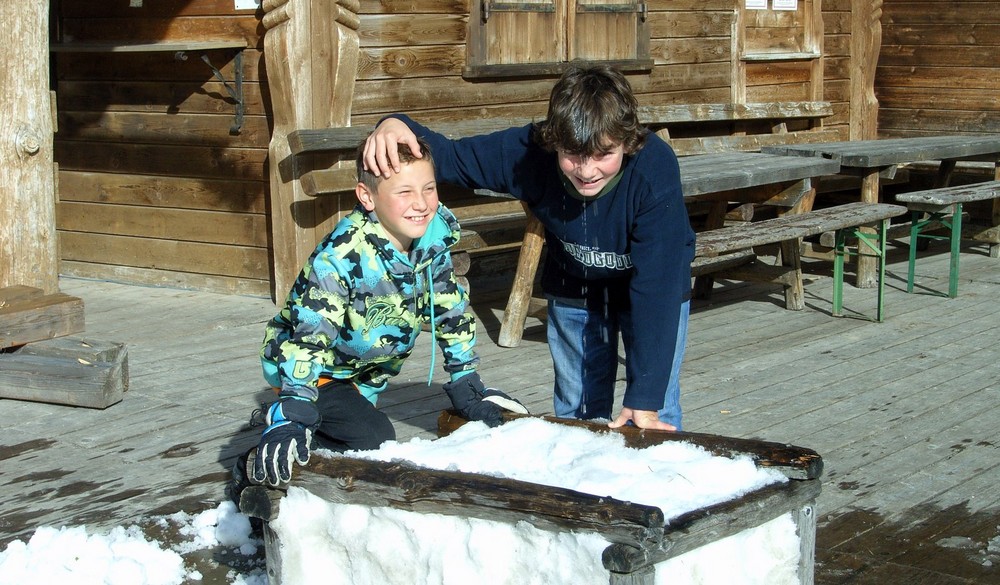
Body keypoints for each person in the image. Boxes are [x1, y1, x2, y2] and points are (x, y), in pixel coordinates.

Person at [363, 63, 695, 432]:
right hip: (576, 287)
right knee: (577, 415)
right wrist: (392, 123)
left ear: (628, 143)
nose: (586, 171)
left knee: (652, 414)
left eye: (603, 154)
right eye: (571, 153)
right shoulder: (527, 153)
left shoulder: (653, 168)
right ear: (552, 141)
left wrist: (644, 398)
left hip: (652, 288)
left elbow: (658, 287)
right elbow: (452, 158)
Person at [233, 137, 527, 493]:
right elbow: (309, 335)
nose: (421, 203)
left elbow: (450, 308)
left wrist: (465, 378)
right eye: (404, 192)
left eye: (429, 188)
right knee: (375, 439)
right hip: (316, 370)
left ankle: (317, 427)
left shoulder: (430, 243)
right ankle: (257, 462)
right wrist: (294, 403)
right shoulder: (340, 257)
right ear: (367, 197)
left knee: (363, 436)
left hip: (365, 370)